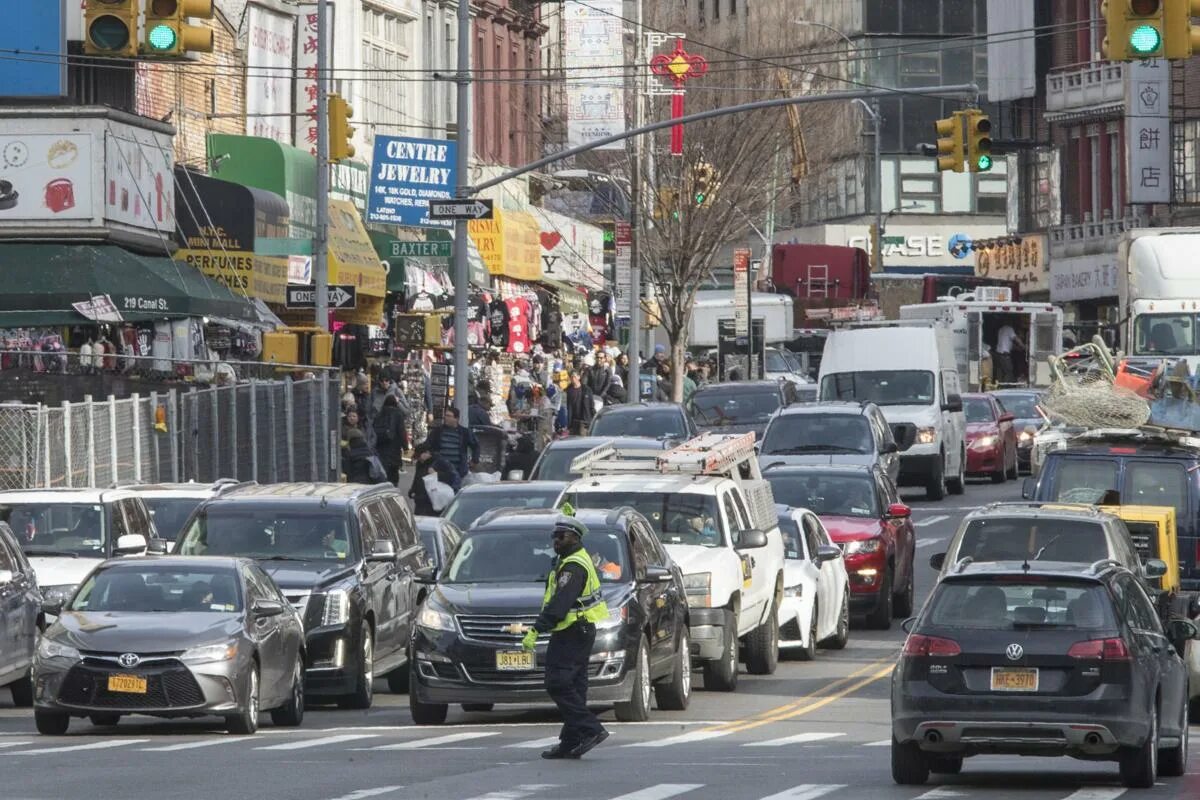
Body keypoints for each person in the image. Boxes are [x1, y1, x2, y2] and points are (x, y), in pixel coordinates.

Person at [519, 515, 610, 759]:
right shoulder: (570, 559)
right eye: (554, 535)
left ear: (575, 538)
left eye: (561, 536)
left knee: (557, 683)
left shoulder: (573, 566)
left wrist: (538, 628)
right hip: (578, 630)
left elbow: (560, 604)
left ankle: (591, 729)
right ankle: (571, 741)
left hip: (571, 631)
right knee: (575, 686)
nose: (555, 540)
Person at [427, 406, 480, 481]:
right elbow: (428, 444)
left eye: (449, 416)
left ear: (456, 419)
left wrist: (475, 460)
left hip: (458, 470)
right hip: (440, 469)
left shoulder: (464, 432)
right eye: (445, 415)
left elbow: (476, 446)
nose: (445, 418)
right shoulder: (438, 431)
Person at [409, 443, 459, 515]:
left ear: (427, 453)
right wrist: (412, 490)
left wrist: (436, 474)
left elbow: (451, 477)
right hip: (420, 501)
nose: (419, 459)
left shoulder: (440, 462)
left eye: (419, 456)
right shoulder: (419, 464)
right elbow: (417, 478)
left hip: (433, 502)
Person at [373, 394, 408, 485]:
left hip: (381, 448)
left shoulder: (379, 414)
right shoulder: (398, 414)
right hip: (394, 449)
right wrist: (405, 447)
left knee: (383, 473)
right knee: (393, 476)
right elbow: (402, 432)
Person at [564, 371, 594, 436]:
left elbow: (591, 406)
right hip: (573, 422)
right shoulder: (569, 391)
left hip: (584, 421)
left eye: (574, 376)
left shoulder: (587, 390)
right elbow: (568, 407)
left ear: (578, 377)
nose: (573, 378)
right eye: (571, 377)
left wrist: (592, 419)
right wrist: (569, 424)